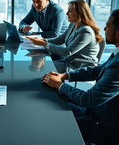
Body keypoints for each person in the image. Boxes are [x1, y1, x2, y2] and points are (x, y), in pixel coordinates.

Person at [41, 9, 119, 145]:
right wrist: (65, 75)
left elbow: (89, 99)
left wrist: (60, 85)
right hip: (94, 111)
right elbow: (97, 70)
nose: (105, 28)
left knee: (49, 123)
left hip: (101, 125)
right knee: (48, 105)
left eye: (109, 26)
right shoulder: (117, 54)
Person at [27, 0, 102, 71]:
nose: (66, 13)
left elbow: (68, 52)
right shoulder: (73, 24)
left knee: (45, 69)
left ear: (79, 13)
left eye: (70, 11)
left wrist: (44, 44)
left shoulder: (86, 31)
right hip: (69, 60)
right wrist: (43, 41)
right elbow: (60, 39)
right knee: (45, 67)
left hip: (81, 65)